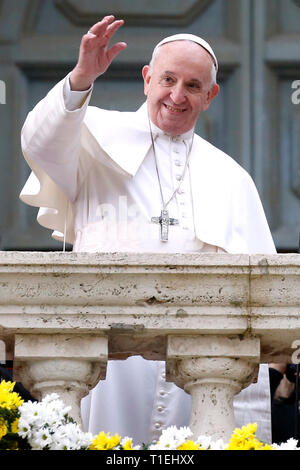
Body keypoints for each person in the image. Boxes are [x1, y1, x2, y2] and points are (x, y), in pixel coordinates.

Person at [19, 16, 276, 445]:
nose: (177, 96)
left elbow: (260, 289)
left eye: (193, 86)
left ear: (210, 96)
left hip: (194, 363)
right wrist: (82, 76)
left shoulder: (231, 176)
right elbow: (39, 142)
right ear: (146, 79)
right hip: (109, 357)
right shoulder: (93, 133)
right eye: (168, 79)